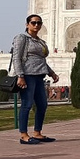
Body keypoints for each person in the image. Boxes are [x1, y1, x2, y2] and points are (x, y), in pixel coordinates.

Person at [13, 14, 59, 145]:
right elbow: (16, 57)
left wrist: (51, 73)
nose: (36, 25)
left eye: (39, 23)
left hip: (39, 76)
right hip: (27, 75)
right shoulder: (22, 38)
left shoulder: (40, 41)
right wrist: (20, 76)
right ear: (27, 24)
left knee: (42, 105)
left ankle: (37, 133)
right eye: (33, 23)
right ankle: (23, 135)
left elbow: (41, 60)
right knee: (27, 105)